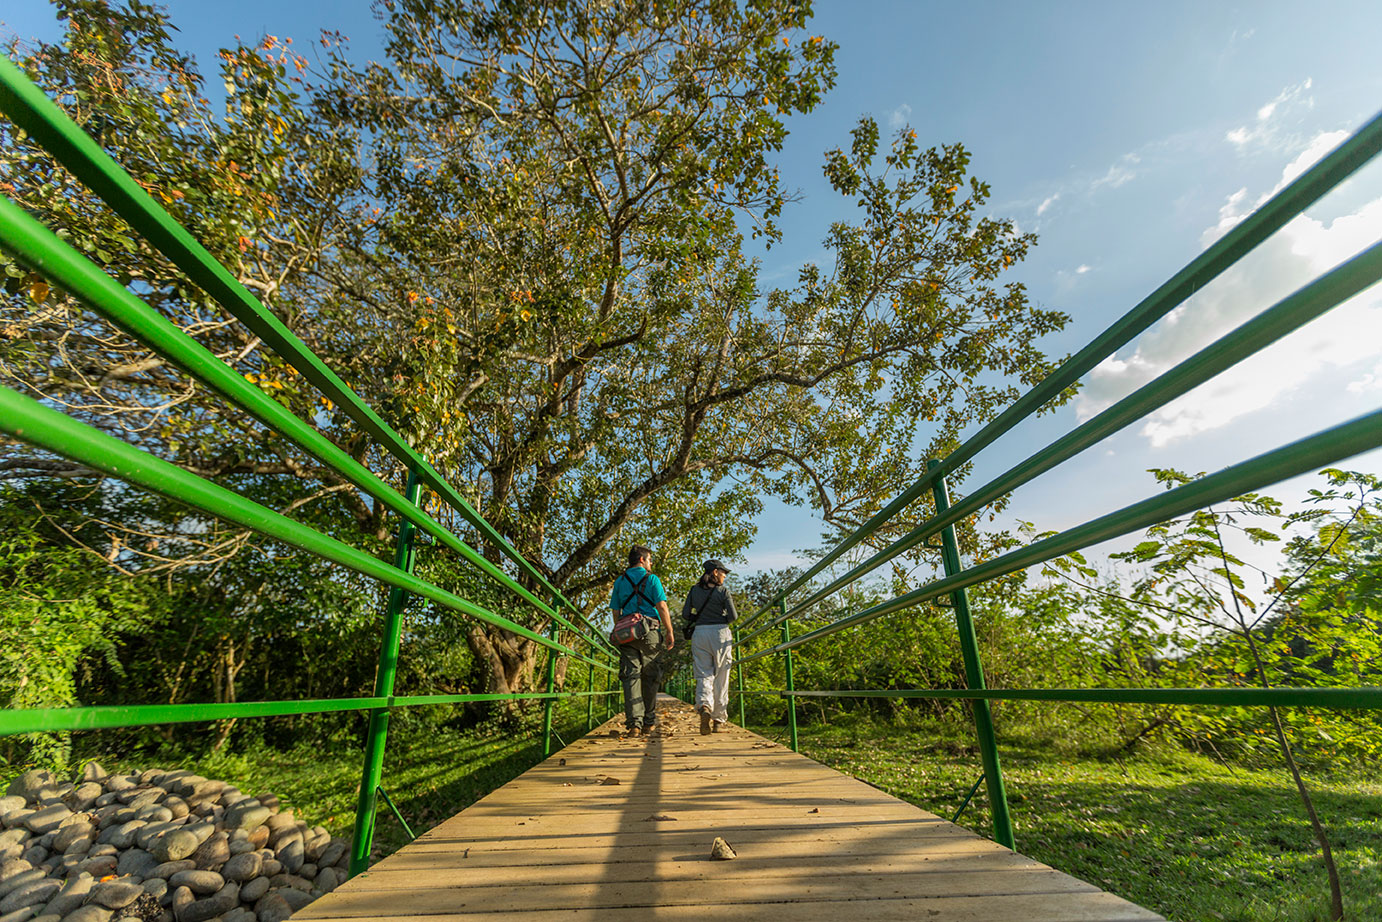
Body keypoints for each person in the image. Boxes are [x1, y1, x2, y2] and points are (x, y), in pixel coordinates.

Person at [609, 544, 675, 737]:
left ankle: (634, 725)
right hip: (650, 632)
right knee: (651, 676)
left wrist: (620, 630)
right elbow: (661, 606)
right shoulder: (652, 579)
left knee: (630, 676)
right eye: (649, 559)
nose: (651, 563)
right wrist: (669, 631)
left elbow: (615, 610)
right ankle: (648, 722)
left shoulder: (620, 581)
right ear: (641, 560)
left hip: (627, 633)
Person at [682, 559, 738, 735]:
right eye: (723, 573)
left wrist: (699, 619)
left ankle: (705, 705)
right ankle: (718, 721)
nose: (724, 576)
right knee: (721, 676)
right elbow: (733, 616)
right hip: (720, 634)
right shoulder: (723, 591)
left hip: (700, 634)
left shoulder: (694, 590)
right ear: (715, 572)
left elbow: (685, 614)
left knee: (704, 674)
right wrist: (720, 620)